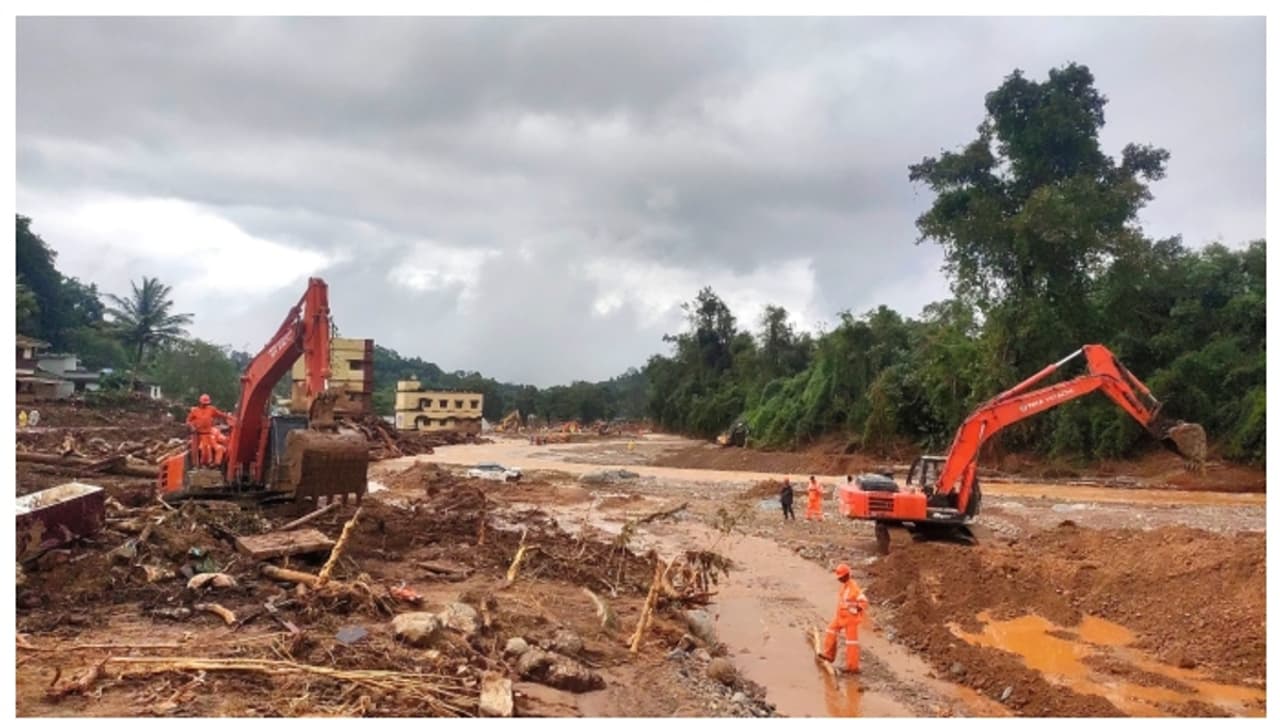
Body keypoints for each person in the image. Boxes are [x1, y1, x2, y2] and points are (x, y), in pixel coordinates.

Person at [821, 562, 869, 674]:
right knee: (830, 630)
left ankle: (852, 667)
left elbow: (864, 602)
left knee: (851, 643)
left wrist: (856, 609)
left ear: (846, 576)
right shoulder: (844, 586)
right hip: (841, 616)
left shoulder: (853, 588)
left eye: (840, 577)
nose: (839, 579)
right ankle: (829, 655)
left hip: (850, 619)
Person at [187, 394, 232, 467]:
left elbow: (220, 414)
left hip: (207, 433)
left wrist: (230, 418)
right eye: (204, 403)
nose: (205, 405)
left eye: (207, 403)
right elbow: (188, 421)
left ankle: (212, 464)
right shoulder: (195, 411)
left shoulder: (211, 409)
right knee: (199, 449)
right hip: (197, 434)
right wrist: (192, 427)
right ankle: (198, 464)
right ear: (200, 402)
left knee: (212, 448)